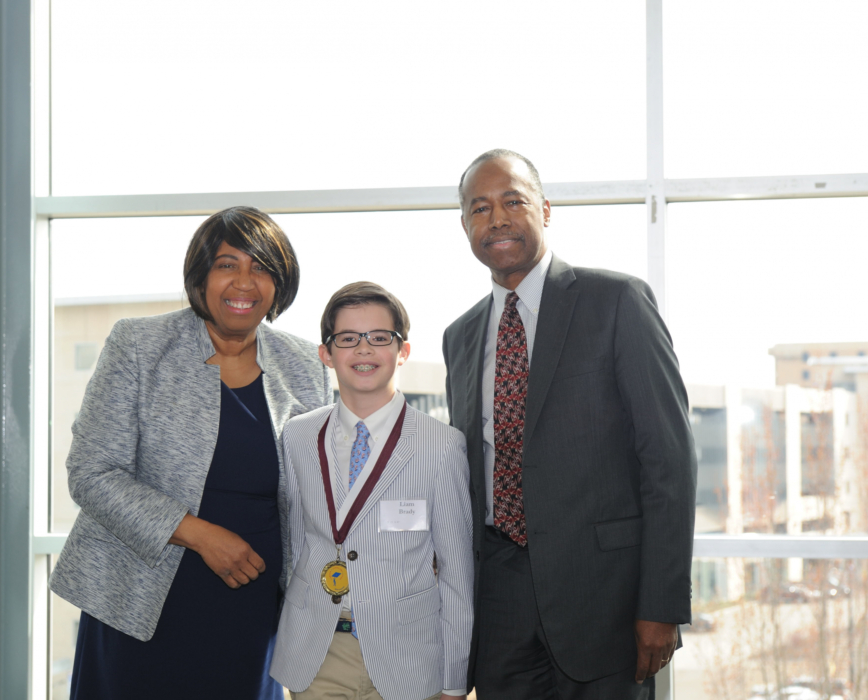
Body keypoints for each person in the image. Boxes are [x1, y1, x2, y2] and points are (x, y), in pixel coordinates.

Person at [441, 150, 697, 700]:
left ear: (545, 210)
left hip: (604, 600)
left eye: (513, 201)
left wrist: (661, 603)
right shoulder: (459, 337)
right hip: (498, 605)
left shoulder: (617, 301)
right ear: (464, 225)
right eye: (480, 208)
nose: (497, 218)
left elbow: (669, 460)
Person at [49, 206, 331, 699]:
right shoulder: (140, 345)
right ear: (200, 276)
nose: (244, 282)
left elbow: (321, 490)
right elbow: (91, 473)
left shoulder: (306, 363)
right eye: (227, 265)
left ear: (280, 283)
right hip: (139, 603)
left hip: (253, 612)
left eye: (261, 268)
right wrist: (201, 536)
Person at [270, 282, 474, 700]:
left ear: (403, 351)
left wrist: (454, 681)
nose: (364, 349)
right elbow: (295, 544)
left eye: (380, 337)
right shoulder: (298, 436)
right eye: (347, 338)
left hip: (409, 657)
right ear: (326, 354)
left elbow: (457, 574)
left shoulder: (441, 445)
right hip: (319, 653)